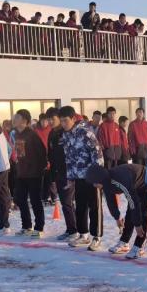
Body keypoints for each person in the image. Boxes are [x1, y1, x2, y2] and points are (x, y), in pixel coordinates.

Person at [58, 106, 105, 250]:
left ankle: (97, 236)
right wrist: (70, 177)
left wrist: (97, 177)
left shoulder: (85, 132)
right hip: (78, 177)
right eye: (61, 121)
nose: (63, 124)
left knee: (94, 207)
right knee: (81, 206)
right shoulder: (66, 135)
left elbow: (97, 154)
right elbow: (69, 158)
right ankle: (83, 234)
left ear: (73, 118)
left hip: (91, 177)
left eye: (66, 121)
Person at [86, 163, 147, 259]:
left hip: (145, 183)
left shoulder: (119, 181)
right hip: (133, 184)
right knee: (130, 212)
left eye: (95, 183)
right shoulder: (106, 182)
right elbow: (111, 201)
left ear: (99, 178)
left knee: (143, 213)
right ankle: (124, 241)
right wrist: (117, 217)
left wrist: (137, 223)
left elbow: (133, 201)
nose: (94, 186)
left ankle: (139, 245)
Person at [11, 110, 48, 238]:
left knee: (35, 200)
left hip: (34, 174)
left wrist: (39, 170)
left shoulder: (32, 135)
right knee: (20, 199)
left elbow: (42, 153)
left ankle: (39, 227)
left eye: (17, 117)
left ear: (24, 121)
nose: (14, 119)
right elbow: (20, 154)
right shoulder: (16, 134)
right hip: (21, 173)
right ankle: (26, 226)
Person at [46, 108, 77, 240]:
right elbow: (51, 154)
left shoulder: (66, 133)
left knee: (68, 202)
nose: (50, 121)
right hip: (58, 173)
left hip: (68, 173)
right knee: (65, 203)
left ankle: (74, 231)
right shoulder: (52, 133)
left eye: (53, 118)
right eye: (49, 119)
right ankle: (71, 229)